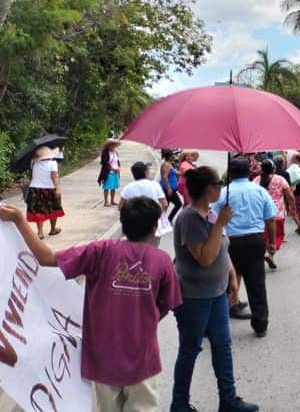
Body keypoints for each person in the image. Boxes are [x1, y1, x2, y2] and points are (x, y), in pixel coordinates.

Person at [1, 198, 181, 412]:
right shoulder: (162, 261)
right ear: (154, 228)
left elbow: (46, 258)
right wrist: (144, 319)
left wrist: (20, 220)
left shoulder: (101, 251)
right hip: (143, 358)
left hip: (102, 358)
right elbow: (167, 304)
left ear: (123, 223)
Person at [171, 166, 259, 412]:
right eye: (219, 184)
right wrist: (220, 224)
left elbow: (222, 248)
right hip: (194, 295)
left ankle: (228, 399)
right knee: (190, 348)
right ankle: (179, 404)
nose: (221, 188)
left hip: (216, 292)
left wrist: (231, 275)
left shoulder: (210, 213)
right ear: (208, 188)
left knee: (223, 345)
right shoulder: (189, 218)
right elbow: (205, 258)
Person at [214, 157, 277, 337]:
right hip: (255, 240)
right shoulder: (260, 191)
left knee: (227, 280)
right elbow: (270, 218)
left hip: (231, 242)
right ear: (249, 171)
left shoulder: (223, 194)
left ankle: (221, 320)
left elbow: (213, 219)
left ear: (230, 173)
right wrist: (271, 242)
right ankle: (260, 323)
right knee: (257, 283)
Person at [254, 159, 296, 270]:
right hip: (278, 212)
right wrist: (292, 207)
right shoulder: (280, 179)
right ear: (274, 168)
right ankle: (271, 255)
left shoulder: (256, 180)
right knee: (278, 235)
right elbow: (290, 195)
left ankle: (268, 254)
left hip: (261, 213)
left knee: (265, 236)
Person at [119, 161, 169, 246]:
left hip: (135, 223)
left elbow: (121, 206)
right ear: (146, 172)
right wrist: (159, 216)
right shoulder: (154, 185)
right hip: (153, 223)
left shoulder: (128, 188)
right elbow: (165, 204)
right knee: (153, 250)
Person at [26, 145, 64, 239]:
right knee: (53, 208)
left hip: (35, 188)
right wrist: (58, 189)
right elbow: (54, 177)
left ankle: (40, 232)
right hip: (49, 188)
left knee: (38, 210)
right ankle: (53, 229)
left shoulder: (34, 163)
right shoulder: (53, 163)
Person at [160, 149, 182, 222]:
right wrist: (169, 188)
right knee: (178, 204)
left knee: (166, 205)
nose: (173, 155)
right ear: (170, 156)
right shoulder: (166, 164)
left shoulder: (169, 164)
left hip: (170, 189)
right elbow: (165, 176)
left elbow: (177, 173)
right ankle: (168, 219)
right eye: (172, 154)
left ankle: (163, 220)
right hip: (168, 189)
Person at [98, 138, 122, 207]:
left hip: (115, 172)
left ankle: (112, 201)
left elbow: (117, 161)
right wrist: (113, 169)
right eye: (111, 145)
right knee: (106, 187)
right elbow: (104, 163)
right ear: (108, 145)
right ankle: (106, 201)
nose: (113, 146)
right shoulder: (105, 153)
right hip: (108, 172)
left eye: (114, 145)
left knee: (113, 187)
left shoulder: (115, 153)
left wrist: (118, 168)